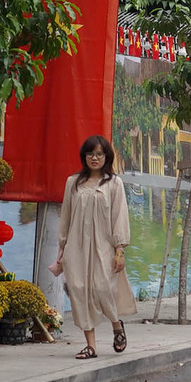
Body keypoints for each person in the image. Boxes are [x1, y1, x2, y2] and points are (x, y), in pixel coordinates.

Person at [49, 135, 136, 359]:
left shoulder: (113, 183)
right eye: (90, 154)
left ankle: (117, 325)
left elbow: (119, 217)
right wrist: (62, 248)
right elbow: (66, 216)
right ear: (84, 156)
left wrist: (119, 250)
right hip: (76, 246)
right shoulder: (73, 182)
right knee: (78, 290)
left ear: (106, 156)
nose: (94, 158)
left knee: (101, 287)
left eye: (99, 154)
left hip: (104, 245)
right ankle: (91, 345)